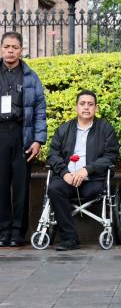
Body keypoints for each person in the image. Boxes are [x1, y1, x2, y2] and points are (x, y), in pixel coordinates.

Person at [47, 90, 119, 251]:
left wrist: (87, 170)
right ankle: (69, 238)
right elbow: (52, 155)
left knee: (90, 191)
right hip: (68, 179)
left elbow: (111, 156)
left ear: (96, 108)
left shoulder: (105, 129)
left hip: (94, 180)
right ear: (76, 107)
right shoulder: (63, 129)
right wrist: (65, 174)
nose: (86, 107)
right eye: (82, 104)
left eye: (90, 104)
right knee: (54, 189)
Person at [0, 31, 46, 247]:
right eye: (6, 47)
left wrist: (38, 140)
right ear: (1, 48)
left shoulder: (30, 76)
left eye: (14, 47)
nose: (10, 51)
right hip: (1, 132)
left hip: (22, 134)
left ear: (21, 50)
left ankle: (18, 231)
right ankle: (3, 230)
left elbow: (39, 109)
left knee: (20, 186)